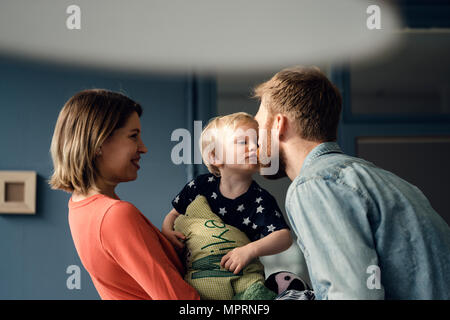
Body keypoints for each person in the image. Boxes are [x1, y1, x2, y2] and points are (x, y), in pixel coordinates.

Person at [253, 66, 450, 299]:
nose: (254, 144)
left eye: (258, 128)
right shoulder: (387, 182)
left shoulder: (315, 184)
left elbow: (354, 294)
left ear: (278, 124)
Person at [49, 89, 200, 300]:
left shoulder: (78, 205)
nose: (143, 148)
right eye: (133, 136)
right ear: (98, 142)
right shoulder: (115, 215)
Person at [162, 112, 293, 275]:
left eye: (257, 142)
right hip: (197, 272)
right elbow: (174, 214)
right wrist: (167, 231)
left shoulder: (260, 199)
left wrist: (249, 251)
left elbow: (284, 237)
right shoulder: (200, 186)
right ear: (215, 156)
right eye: (243, 142)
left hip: (240, 275)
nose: (254, 148)